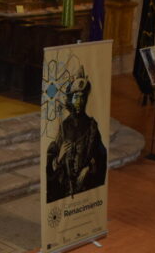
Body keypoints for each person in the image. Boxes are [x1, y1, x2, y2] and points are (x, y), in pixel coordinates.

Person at [45, 66, 108, 203]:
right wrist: (58, 158)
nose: (78, 102)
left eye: (81, 97)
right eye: (75, 97)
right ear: (70, 99)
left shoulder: (92, 126)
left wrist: (89, 168)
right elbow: (51, 158)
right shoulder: (64, 126)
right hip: (65, 190)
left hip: (85, 188)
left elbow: (101, 155)